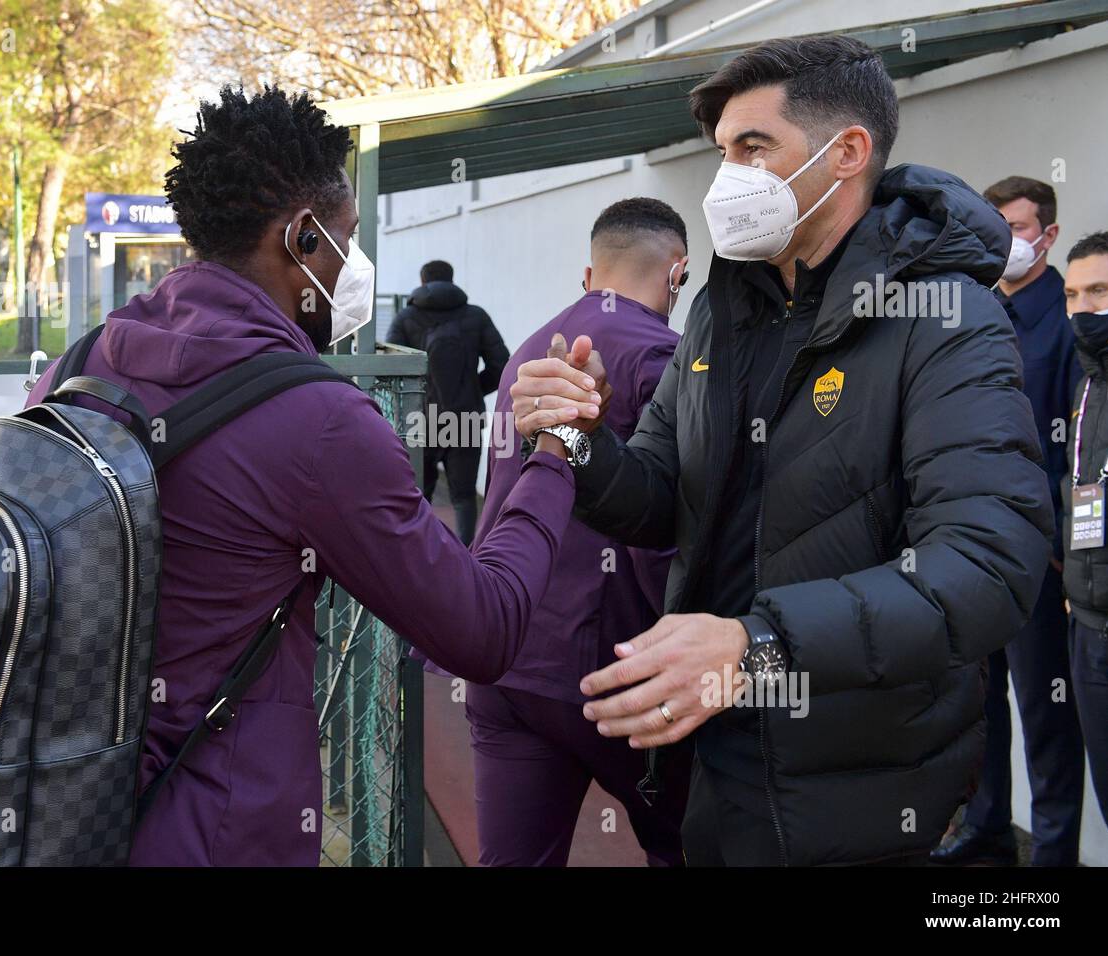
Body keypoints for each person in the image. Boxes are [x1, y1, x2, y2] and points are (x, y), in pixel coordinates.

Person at [509, 35, 1053, 867]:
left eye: (754, 147)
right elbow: (662, 497)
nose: (728, 175)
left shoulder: (946, 317)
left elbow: (986, 564)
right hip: (715, 761)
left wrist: (756, 647)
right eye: (723, 150)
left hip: (862, 787)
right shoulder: (723, 312)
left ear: (847, 153)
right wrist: (581, 446)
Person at [26, 86, 599, 866]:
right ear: (301, 239)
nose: (356, 266)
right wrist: (555, 451)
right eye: (348, 239)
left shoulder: (79, 362)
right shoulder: (317, 419)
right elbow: (485, 627)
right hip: (221, 830)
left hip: (62, 808)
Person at [465, 198, 689, 866]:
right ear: (678, 275)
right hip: (614, 664)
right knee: (685, 844)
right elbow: (669, 528)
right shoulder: (669, 359)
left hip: (505, 651)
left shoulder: (531, 350)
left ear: (589, 276)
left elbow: (498, 488)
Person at [932, 176, 1084, 867]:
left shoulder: (1074, 320)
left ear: (1046, 236)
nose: (1006, 242)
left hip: (1040, 555)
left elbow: (1078, 448)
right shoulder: (976, 310)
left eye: (1018, 228)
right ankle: (986, 825)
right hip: (970, 549)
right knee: (979, 698)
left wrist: (1056, 548)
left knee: (1048, 713)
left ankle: (1052, 854)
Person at [387, 259, 509, 544]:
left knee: (420, 494)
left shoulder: (405, 318)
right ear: (452, 280)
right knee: (465, 497)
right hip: (464, 417)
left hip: (419, 418)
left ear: (422, 282)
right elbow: (502, 365)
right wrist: (473, 389)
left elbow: (393, 368)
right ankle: (466, 562)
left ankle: (424, 555)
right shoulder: (476, 316)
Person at [1062, 230, 1108, 831]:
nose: (1083, 309)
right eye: (1073, 293)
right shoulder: (1088, 384)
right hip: (1091, 630)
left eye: (1099, 290)